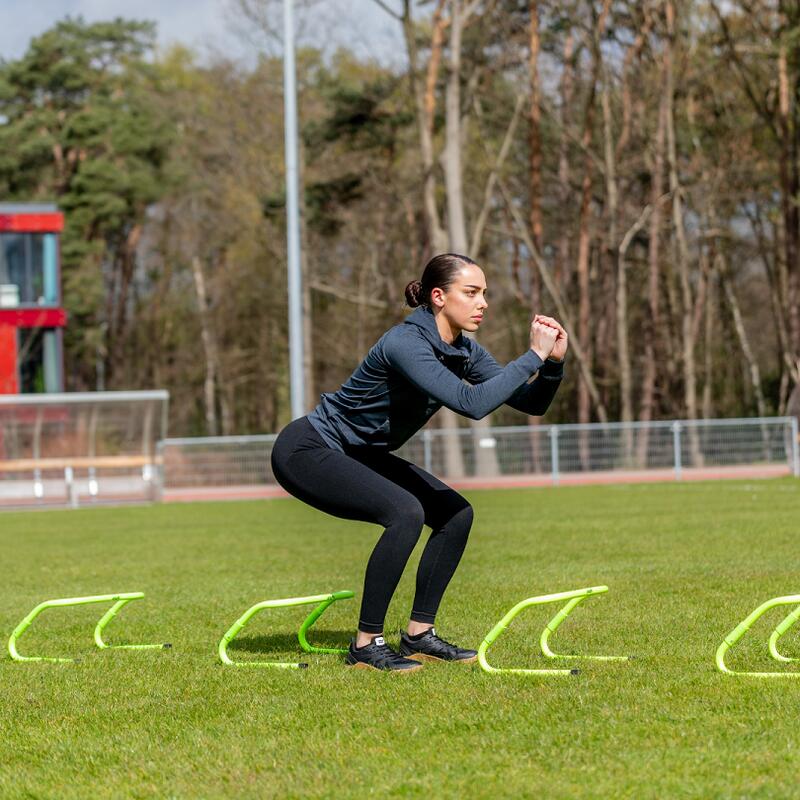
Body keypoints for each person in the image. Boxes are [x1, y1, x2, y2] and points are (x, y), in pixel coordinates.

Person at [270, 253, 568, 672]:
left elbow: (530, 403)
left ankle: (418, 635)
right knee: (405, 512)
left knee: (455, 514)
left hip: (362, 454)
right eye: (472, 293)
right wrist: (531, 357)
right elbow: (473, 403)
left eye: (484, 293)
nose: (483, 302)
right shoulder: (405, 343)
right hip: (309, 450)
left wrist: (552, 364)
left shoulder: (463, 350)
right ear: (438, 297)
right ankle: (366, 644)